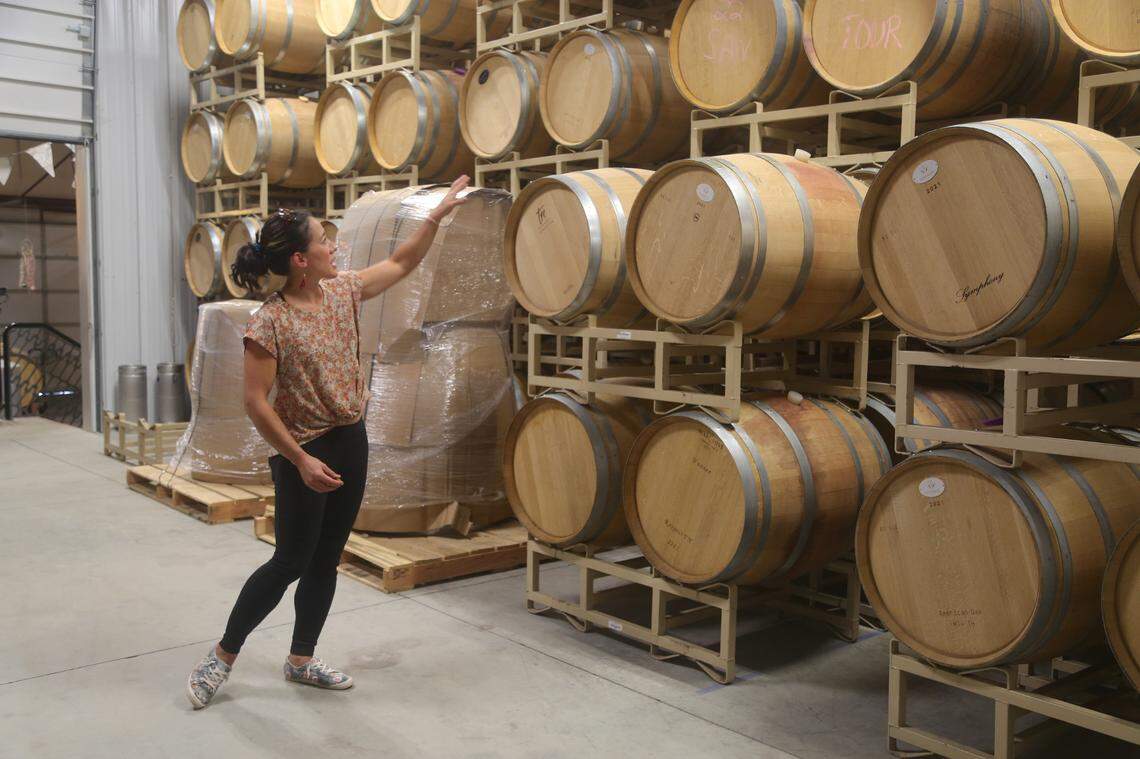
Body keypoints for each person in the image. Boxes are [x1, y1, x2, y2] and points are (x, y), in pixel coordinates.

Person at [186, 176, 470, 709]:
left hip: (349, 440)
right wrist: (299, 460)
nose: (333, 245)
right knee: (289, 560)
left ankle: (301, 659)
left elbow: (404, 263)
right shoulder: (270, 322)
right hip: (302, 453)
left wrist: (433, 218)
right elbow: (255, 401)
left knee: (327, 558)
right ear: (300, 259)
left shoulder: (341, 291)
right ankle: (221, 657)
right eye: (324, 239)